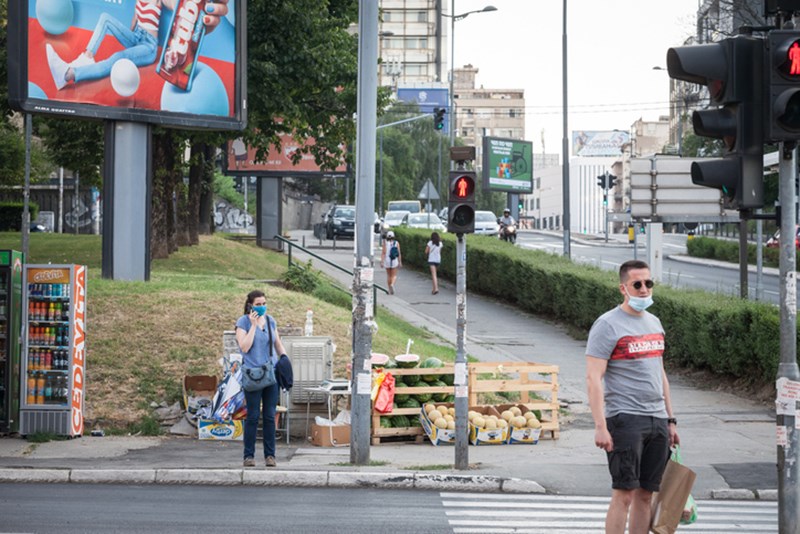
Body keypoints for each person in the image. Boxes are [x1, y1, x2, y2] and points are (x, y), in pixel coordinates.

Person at [585, 260, 679, 534]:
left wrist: (670, 420)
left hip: (657, 419)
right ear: (623, 288)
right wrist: (600, 426)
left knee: (646, 495)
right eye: (636, 284)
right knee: (624, 493)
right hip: (625, 419)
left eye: (648, 283)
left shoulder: (654, 322)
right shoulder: (607, 325)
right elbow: (593, 378)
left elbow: (660, 374)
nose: (643, 289)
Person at [45, 0, 228, 90]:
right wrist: (129, 34)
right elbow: (134, 21)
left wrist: (193, 8)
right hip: (136, 37)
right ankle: (87, 56)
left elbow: (174, 3)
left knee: (117, 58)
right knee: (105, 18)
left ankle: (69, 74)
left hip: (148, 46)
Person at [235, 289, 287, 468]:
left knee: (270, 416)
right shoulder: (243, 322)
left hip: (270, 373)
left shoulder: (271, 320)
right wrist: (254, 325)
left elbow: (277, 343)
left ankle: (270, 455)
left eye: (264, 303)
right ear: (250, 305)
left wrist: (285, 358)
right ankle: (248, 456)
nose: (262, 307)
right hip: (253, 375)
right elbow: (244, 347)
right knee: (253, 416)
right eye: (258, 304)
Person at [381, 231, 401, 295]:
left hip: (387, 260)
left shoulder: (385, 243)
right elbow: (399, 253)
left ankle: (389, 290)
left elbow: (383, 253)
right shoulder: (396, 243)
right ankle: (392, 284)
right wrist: (400, 261)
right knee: (394, 275)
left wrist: (382, 261)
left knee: (389, 275)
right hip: (394, 260)